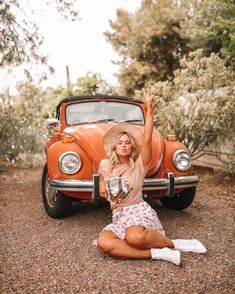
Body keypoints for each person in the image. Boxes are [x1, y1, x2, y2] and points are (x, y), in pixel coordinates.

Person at [96, 90, 206, 265]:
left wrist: (150, 110)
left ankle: (176, 244)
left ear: (132, 148)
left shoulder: (139, 164)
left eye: (128, 143)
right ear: (114, 147)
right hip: (118, 216)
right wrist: (102, 184)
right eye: (120, 143)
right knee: (104, 243)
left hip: (137, 210)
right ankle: (158, 253)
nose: (124, 146)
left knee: (135, 238)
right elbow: (101, 176)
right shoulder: (105, 165)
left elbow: (147, 139)